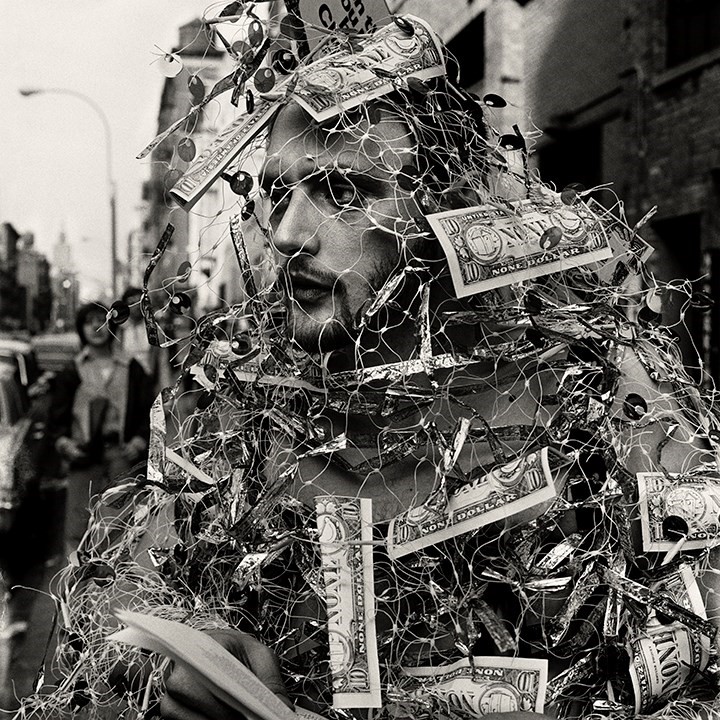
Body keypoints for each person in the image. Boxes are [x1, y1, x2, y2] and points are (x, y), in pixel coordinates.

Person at [16, 12, 720, 720]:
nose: (289, 234)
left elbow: (701, 657)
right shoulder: (237, 424)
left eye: (344, 191)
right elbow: (115, 624)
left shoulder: (595, 406)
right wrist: (166, 671)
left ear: (442, 206)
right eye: (277, 191)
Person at [48, 302, 153, 556]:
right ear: (81, 329)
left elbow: (148, 410)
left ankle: (115, 587)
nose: (96, 326)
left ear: (112, 326)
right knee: (77, 527)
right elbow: (57, 418)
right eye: (89, 321)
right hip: (84, 458)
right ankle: (74, 590)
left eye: (102, 320)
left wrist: (139, 440)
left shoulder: (132, 368)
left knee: (121, 524)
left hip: (121, 456)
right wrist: (65, 444)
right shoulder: (72, 370)